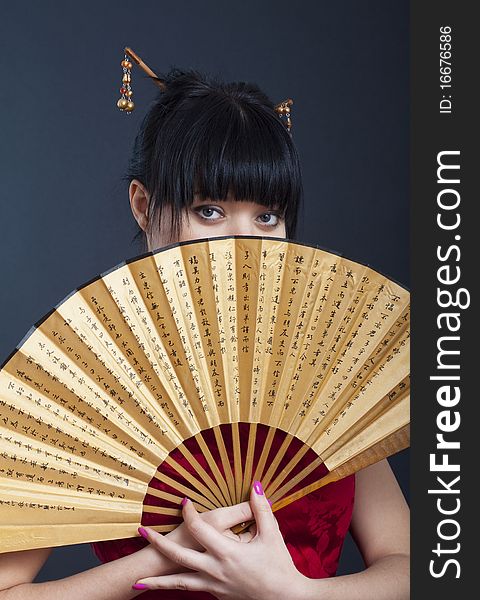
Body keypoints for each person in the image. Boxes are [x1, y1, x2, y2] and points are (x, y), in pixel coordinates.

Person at [0, 69, 409, 600]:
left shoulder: (322, 367)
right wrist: (167, 553)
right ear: (143, 206)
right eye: (209, 211)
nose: (243, 241)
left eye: (266, 217)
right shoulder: (91, 378)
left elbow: (410, 564)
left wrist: (292, 593)